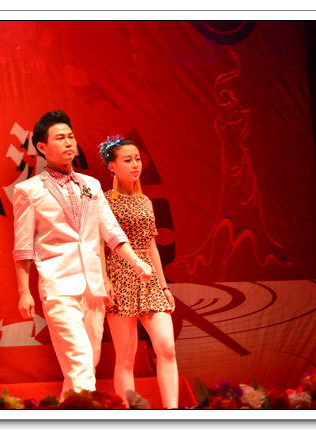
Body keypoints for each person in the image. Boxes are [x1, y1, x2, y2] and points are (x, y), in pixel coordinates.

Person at [12, 110, 152, 399]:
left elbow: (111, 231)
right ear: (42, 147)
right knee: (81, 365)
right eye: (59, 138)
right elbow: (23, 245)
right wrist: (23, 290)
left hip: (93, 288)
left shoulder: (92, 185)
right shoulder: (28, 191)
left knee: (85, 365)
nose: (68, 143)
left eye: (71, 137)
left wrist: (136, 262)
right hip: (59, 286)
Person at [99, 135, 179, 409]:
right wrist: (105, 279)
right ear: (111, 166)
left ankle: (173, 413)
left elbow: (151, 245)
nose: (135, 165)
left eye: (137, 159)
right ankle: (129, 414)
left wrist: (164, 286)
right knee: (126, 355)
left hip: (149, 278)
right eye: (127, 160)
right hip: (118, 274)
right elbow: (99, 244)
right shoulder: (104, 201)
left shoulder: (146, 201)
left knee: (167, 347)